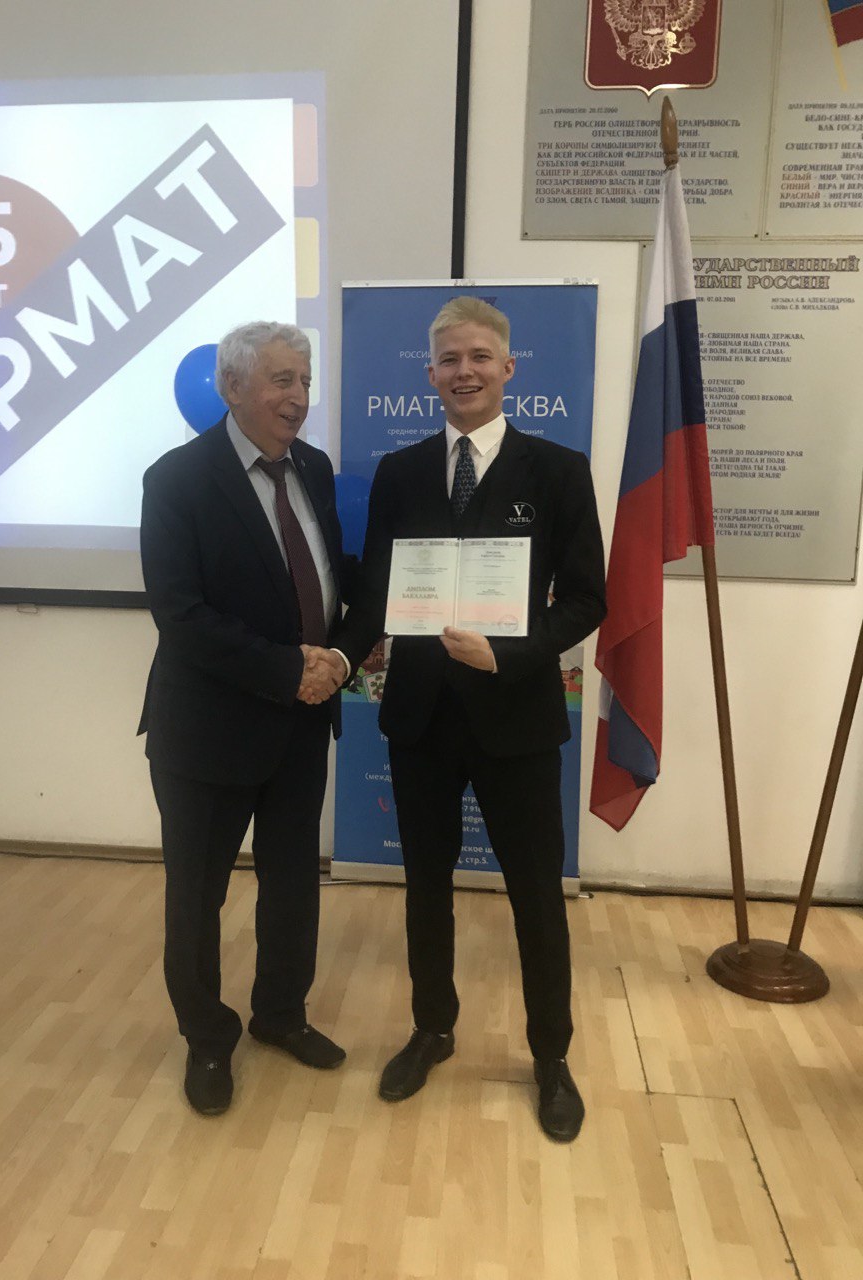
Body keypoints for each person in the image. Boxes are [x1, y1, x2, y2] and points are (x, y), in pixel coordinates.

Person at [334, 297, 606, 1142]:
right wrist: (338, 656)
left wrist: (511, 654)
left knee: (536, 894)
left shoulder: (557, 469)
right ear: (430, 374)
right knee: (425, 886)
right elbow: (376, 592)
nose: (465, 372)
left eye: (480, 357)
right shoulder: (401, 472)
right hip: (421, 717)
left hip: (516, 717)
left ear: (509, 368)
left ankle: (551, 1056)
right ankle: (432, 1028)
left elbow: (588, 599)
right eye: (450, 360)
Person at [139, 321, 349, 1116]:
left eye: (304, 380)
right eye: (281, 380)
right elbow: (181, 615)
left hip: (301, 724)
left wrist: (340, 657)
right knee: (197, 898)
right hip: (208, 733)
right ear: (232, 387)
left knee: (293, 884)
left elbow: (331, 576)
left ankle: (281, 1015)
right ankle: (207, 1038)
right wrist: (290, 670)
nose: (298, 397)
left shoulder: (314, 470)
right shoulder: (177, 480)